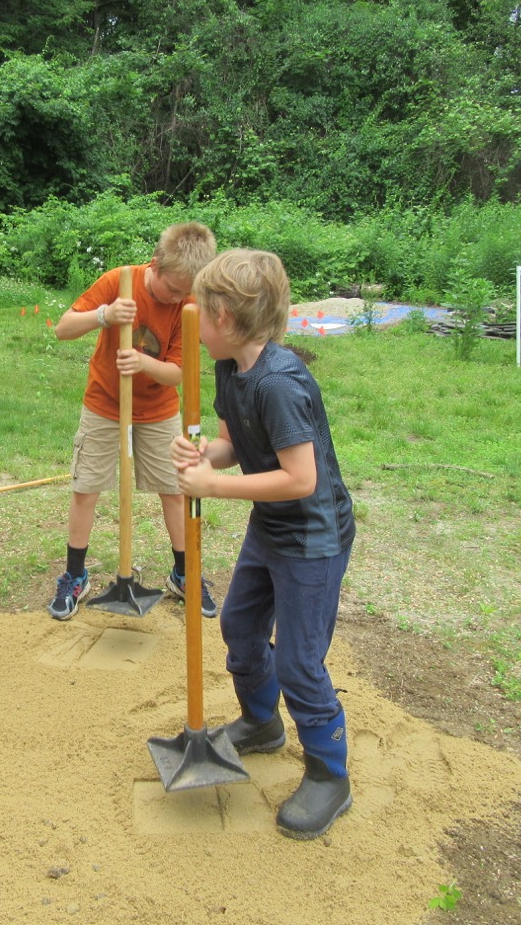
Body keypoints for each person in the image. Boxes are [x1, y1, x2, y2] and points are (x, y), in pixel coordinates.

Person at [170, 249, 355, 840]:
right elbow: (234, 445)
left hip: (313, 538)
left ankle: (329, 775)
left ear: (224, 317)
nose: (194, 321)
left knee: (299, 661)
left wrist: (214, 487)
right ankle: (261, 723)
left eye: (201, 310)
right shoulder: (230, 367)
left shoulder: (279, 383)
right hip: (271, 527)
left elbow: (300, 479)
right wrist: (207, 455)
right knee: (241, 626)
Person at [47, 222, 218, 621]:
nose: (175, 297)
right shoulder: (118, 282)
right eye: (171, 288)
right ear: (155, 264)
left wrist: (142, 363)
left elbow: (178, 373)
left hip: (158, 411)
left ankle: (185, 574)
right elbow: (63, 329)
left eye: (183, 291)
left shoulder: (189, 304)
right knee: (86, 488)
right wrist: (104, 315)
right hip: (104, 404)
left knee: (174, 490)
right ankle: (75, 576)